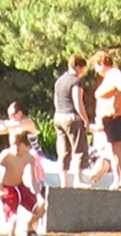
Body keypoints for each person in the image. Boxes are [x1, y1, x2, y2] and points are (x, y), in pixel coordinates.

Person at [91, 50, 121, 189]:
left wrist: (116, 105)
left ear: (101, 63)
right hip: (108, 118)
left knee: (117, 149)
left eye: (96, 66)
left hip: (117, 116)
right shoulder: (108, 77)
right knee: (112, 150)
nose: (96, 70)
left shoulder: (114, 73)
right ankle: (117, 179)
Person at [0, 131, 47, 236]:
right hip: (8, 189)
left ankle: (29, 225)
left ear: (25, 146)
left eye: (19, 145)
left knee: (41, 207)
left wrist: (38, 194)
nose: (16, 148)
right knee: (13, 220)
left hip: (20, 187)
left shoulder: (29, 158)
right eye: (13, 145)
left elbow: (34, 179)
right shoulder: (7, 154)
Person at [52, 54, 90, 188]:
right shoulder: (76, 81)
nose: (84, 72)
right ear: (79, 67)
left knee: (63, 150)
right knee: (79, 148)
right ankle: (78, 180)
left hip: (58, 116)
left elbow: (56, 101)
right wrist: (86, 120)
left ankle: (64, 182)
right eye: (84, 69)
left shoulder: (59, 81)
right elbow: (78, 102)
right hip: (71, 117)